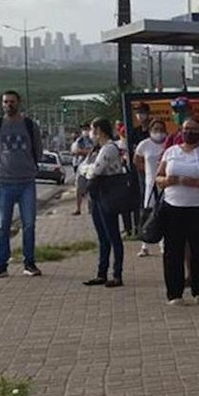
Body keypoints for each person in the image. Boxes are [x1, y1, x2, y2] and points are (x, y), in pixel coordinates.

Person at [155, 117, 199, 304]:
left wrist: (196, 183)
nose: (189, 133)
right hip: (173, 208)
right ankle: (174, 294)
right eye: (186, 129)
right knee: (173, 252)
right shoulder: (171, 152)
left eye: (193, 129)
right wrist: (167, 181)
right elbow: (158, 177)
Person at [0, 90, 42, 278]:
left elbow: (38, 149)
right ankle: (1, 264)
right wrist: (0, 171)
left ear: (19, 103)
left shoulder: (29, 125)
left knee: (29, 224)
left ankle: (29, 262)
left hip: (27, 181)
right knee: (3, 225)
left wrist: (32, 168)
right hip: (5, 183)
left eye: (12, 101)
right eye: (5, 102)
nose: (8, 105)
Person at [81, 118, 126, 288]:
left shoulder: (109, 148)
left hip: (108, 194)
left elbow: (95, 170)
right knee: (102, 236)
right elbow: (83, 168)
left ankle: (117, 274)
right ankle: (102, 272)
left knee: (113, 235)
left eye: (92, 129)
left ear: (99, 130)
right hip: (97, 194)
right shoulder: (97, 149)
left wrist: (87, 170)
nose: (90, 133)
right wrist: (87, 169)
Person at [133, 118, 167, 257]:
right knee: (148, 213)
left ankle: (163, 244)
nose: (158, 132)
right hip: (150, 185)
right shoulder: (144, 144)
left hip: (165, 184)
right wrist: (147, 170)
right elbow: (137, 160)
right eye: (155, 130)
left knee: (164, 214)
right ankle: (145, 244)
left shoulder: (168, 143)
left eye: (161, 129)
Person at [71, 123, 93, 215]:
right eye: (83, 129)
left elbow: (95, 151)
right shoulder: (79, 140)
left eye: (87, 128)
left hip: (92, 166)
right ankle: (78, 208)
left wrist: (85, 152)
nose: (85, 131)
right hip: (81, 167)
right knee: (79, 188)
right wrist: (87, 152)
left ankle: (90, 208)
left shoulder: (93, 139)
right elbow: (76, 151)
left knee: (91, 188)